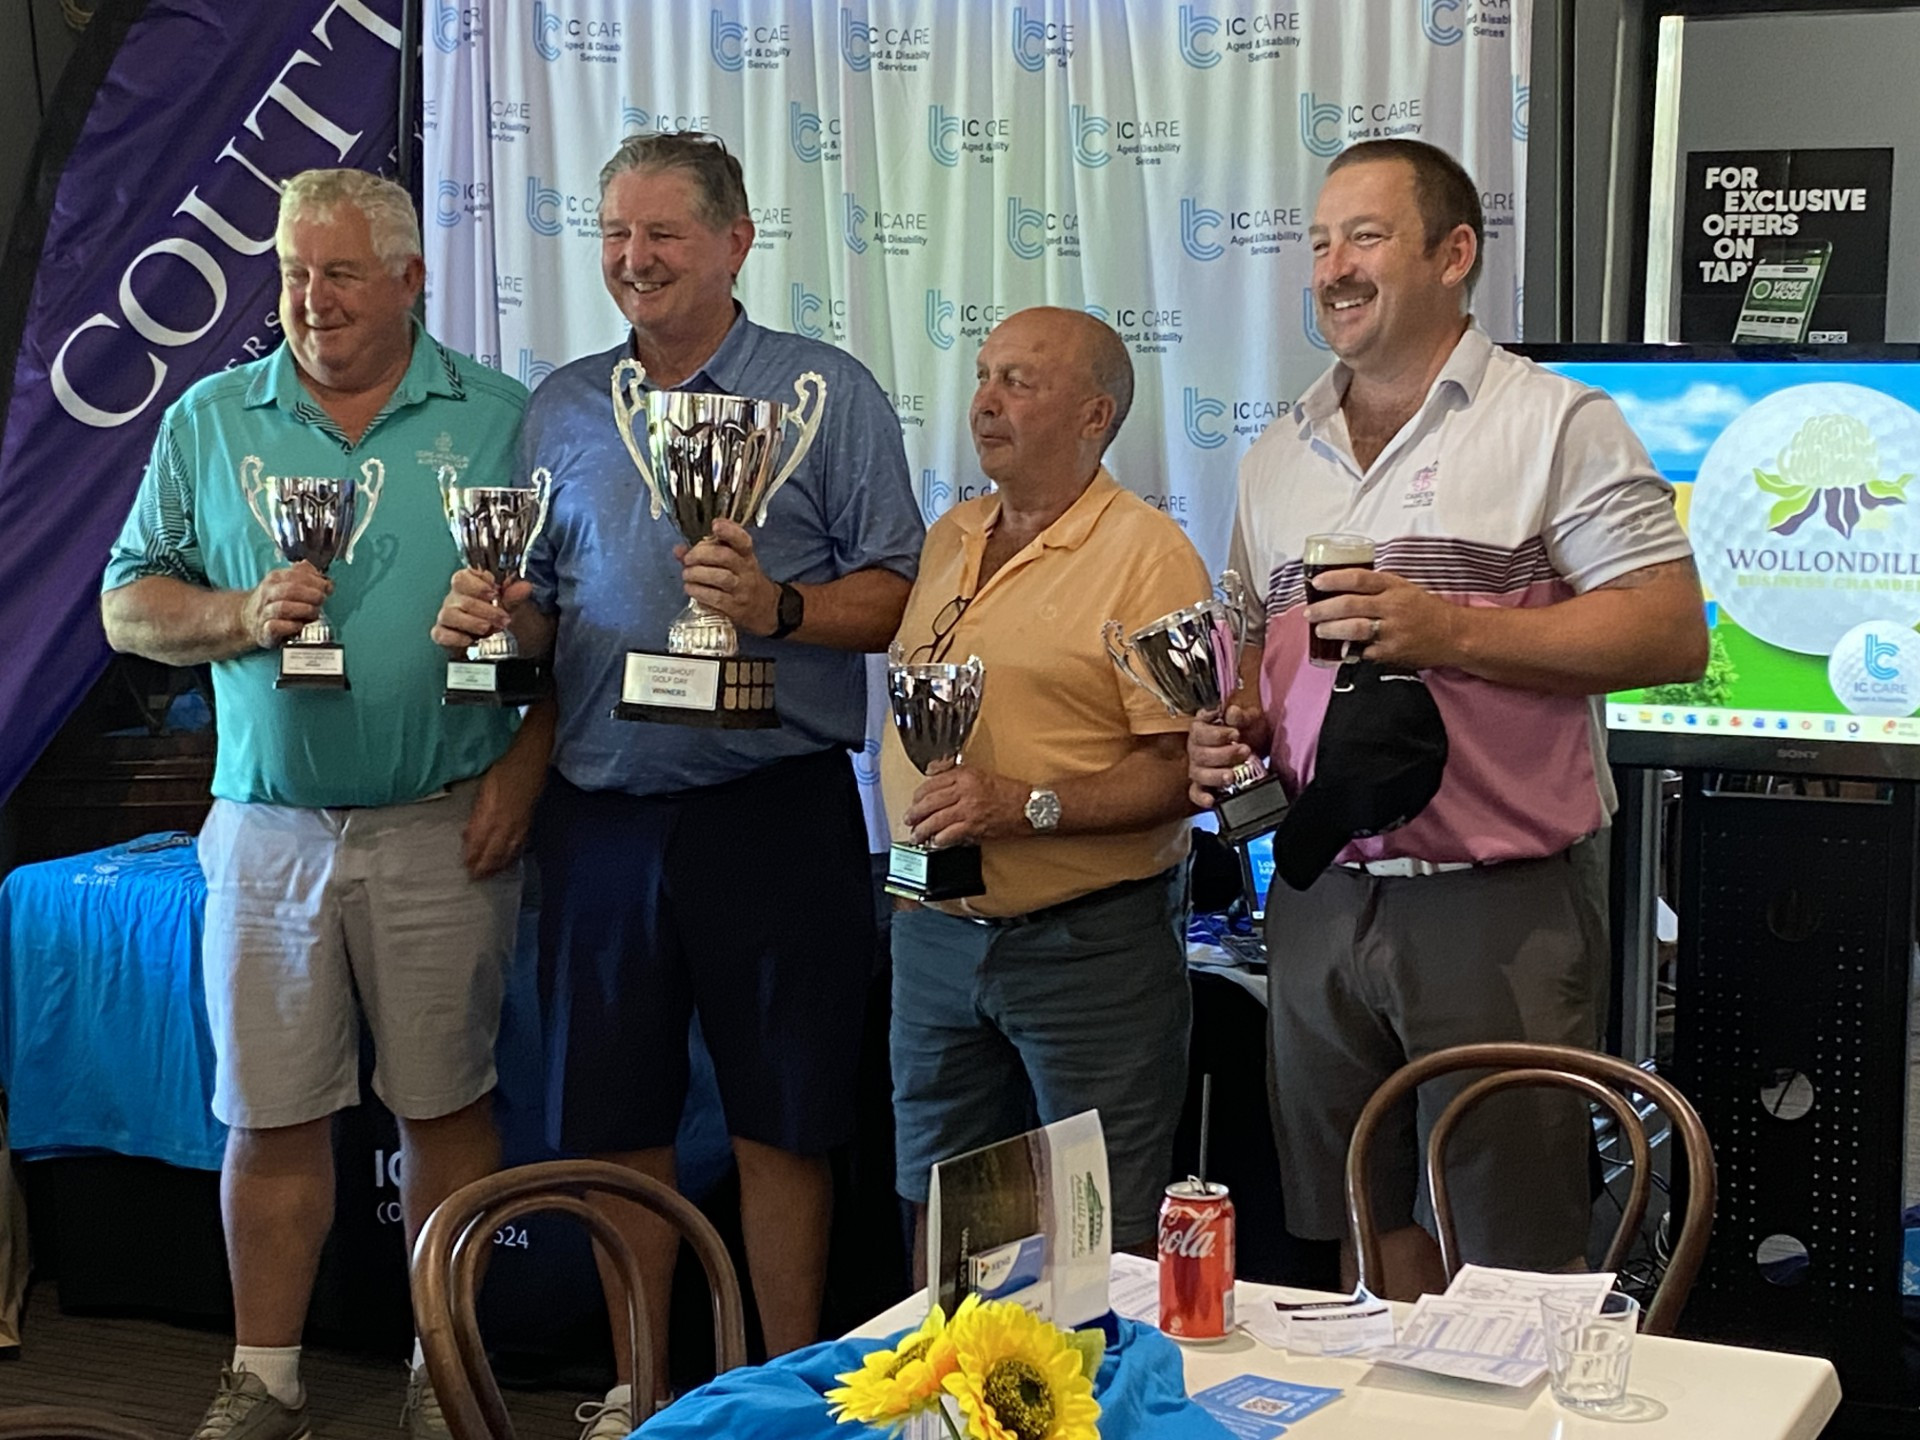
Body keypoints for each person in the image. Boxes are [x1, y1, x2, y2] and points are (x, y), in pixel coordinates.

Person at [431, 131, 921, 1433]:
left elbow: (897, 592)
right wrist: (502, 619)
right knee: (613, 1125)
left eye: (663, 235)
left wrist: (780, 602)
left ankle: (790, 1391)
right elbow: (553, 617)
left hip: (775, 806)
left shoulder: (827, 391)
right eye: (615, 235)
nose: (633, 261)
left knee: (785, 1118)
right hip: (601, 813)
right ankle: (636, 1387)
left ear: (735, 242)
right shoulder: (562, 406)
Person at [1189, 139, 1708, 1300]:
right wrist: (1227, 731)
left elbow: (1673, 634)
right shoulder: (1279, 454)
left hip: (1498, 903)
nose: (1334, 267)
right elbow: (1259, 666)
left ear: (1455, 254)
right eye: (1319, 243)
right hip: (1319, 894)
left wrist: (1455, 632)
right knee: (1358, 1235)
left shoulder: (1555, 422)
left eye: (1365, 237)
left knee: (1517, 1260)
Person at [100, 169, 532, 1440]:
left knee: (446, 1105)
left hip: (443, 820)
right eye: (292, 270)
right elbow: (130, 604)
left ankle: (439, 1380)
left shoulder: (504, 418)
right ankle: (266, 1378)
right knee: (269, 1111)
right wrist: (237, 616)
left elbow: (574, 616)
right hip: (267, 828)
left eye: (341, 271)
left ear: (410, 280)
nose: (311, 298)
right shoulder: (210, 416)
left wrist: (518, 739)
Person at [883, 306, 1211, 1269]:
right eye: (985, 377)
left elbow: (1183, 769)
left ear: (1094, 414)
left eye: (1019, 382)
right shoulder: (951, 534)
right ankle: (946, 1412)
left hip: (1087, 950)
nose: (986, 403)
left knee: (1093, 1232)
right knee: (949, 1220)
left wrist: (1024, 806)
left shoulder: (1148, 556)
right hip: (934, 932)